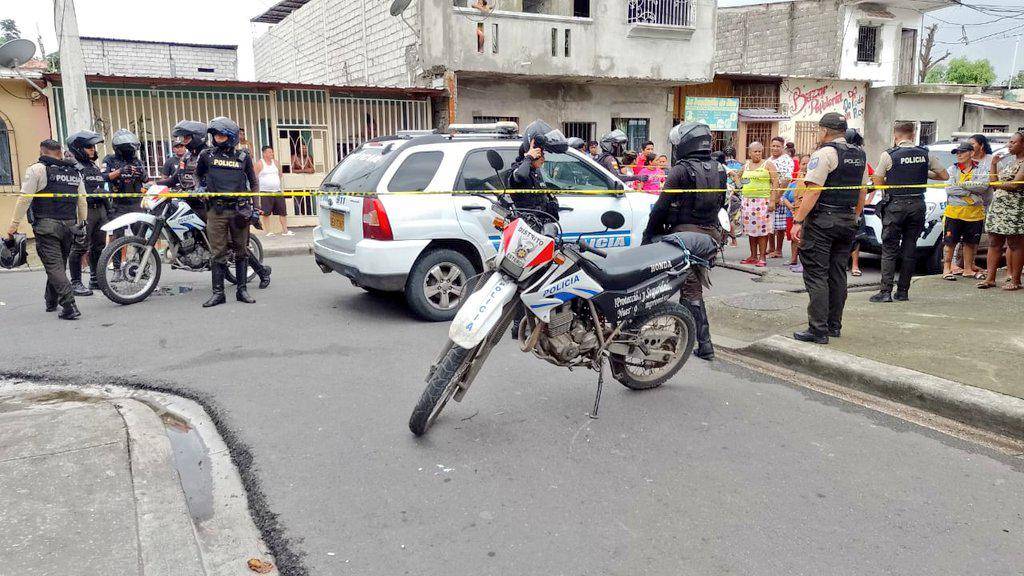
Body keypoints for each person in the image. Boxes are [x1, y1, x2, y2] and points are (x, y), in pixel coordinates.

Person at [641, 122, 727, 360]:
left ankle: (703, 345)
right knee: (690, 286)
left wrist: (648, 234)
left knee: (686, 289)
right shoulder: (720, 169)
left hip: (684, 239)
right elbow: (721, 204)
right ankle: (688, 338)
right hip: (710, 236)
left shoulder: (680, 170)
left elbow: (661, 207)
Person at [790, 112, 867, 344]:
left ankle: (818, 329)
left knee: (816, 274)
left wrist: (798, 221)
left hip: (823, 221)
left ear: (824, 131)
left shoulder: (825, 153)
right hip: (846, 221)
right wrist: (854, 216)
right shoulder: (860, 155)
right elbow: (862, 191)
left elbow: (813, 190)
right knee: (837, 273)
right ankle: (834, 325)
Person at [4, 139, 88, 319]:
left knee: (54, 265)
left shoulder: (37, 169)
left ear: (42, 152)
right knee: (58, 264)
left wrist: (13, 225)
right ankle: (51, 301)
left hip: (46, 226)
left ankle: (69, 305)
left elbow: (24, 198)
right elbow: (82, 200)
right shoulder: (74, 172)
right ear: (59, 152)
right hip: (70, 225)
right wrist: (82, 223)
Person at [868, 122, 949, 303]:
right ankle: (903, 292)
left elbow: (878, 181)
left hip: (896, 205)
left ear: (896, 136)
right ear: (913, 135)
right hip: (918, 205)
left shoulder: (889, 155)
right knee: (910, 248)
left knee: (889, 249)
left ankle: (885, 292)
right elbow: (944, 176)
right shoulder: (925, 154)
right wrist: (922, 174)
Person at [195, 116, 261, 307]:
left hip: (239, 211)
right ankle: (218, 294)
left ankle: (242, 291)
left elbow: (254, 182)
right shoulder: (206, 155)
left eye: (221, 135)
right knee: (217, 253)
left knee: (241, 251)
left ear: (231, 137)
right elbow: (197, 175)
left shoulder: (243, 157)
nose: (217, 138)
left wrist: (255, 207)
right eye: (215, 135)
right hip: (216, 211)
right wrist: (199, 188)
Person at [978, 131, 1024, 290]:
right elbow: (993, 181)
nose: (1009, 145)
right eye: (1009, 142)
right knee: (993, 241)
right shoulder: (1010, 162)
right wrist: (993, 164)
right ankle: (990, 278)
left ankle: (1015, 280)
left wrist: (996, 185)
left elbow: (1015, 184)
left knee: (1014, 243)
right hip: (998, 206)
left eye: (1013, 142)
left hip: (1015, 208)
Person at [941, 141, 991, 281]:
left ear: (971, 153)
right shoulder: (952, 169)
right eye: (957, 152)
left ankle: (968, 269)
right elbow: (950, 188)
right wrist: (970, 192)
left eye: (962, 152)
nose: (959, 155)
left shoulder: (981, 168)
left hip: (974, 214)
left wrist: (962, 185)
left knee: (970, 242)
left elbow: (983, 186)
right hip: (954, 212)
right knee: (950, 242)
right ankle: (947, 268)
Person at [65, 130, 107, 296]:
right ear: (78, 148)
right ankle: (76, 282)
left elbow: (101, 187)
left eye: (93, 147)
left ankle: (95, 279)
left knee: (98, 246)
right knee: (80, 246)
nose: (92, 149)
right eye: (88, 147)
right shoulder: (73, 166)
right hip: (84, 211)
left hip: (100, 210)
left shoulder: (93, 166)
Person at [101, 129, 148, 271]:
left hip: (136, 204)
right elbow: (103, 176)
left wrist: (138, 172)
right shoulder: (109, 160)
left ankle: (143, 269)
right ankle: (116, 269)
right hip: (118, 205)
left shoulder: (136, 161)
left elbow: (146, 178)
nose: (131, 152)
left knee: (141, 237)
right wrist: (120, 172)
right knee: (117, 238)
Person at [736, 141, 779, 266]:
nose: (758, 154)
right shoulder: (746, 166)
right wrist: (739, 182)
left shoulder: (768, 164)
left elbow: (776, 183)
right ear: (749, 153)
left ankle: (762, 257)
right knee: (751, 230)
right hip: (748, 202)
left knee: (762, 231)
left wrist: (772, 200)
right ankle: (753, 255)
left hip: (763, 202)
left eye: (760, 151)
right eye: (755, 151)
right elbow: (738, 179)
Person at [843, 129, 869, 278]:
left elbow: (864, 187)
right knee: (853, 236)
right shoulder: (860, 155)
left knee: (855, 237)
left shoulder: (861, 156)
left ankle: (853, 265)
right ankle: (848, 265)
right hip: (852, 205)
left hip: (847, 204)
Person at [767, 136, 794, 258]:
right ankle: (771, 247)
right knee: (770, 223)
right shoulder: (769, 159)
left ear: (782, 147)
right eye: (773, 146)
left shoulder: (786, 160)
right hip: (769, 195)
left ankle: (778, 250)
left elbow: (787, 179)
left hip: (781, 196)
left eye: (778, 146)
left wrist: (778, 197)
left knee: (779, 226)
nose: (775, 148)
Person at [256, 146, 290, 237]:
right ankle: (268, 231)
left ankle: (285, 230)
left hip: (277, 191)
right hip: (265, 191)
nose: (272, 154)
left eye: (272, 152)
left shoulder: (276, 162)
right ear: (264, 153)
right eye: (270, 152)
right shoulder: (259, 163)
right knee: (266, 213)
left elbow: (280, 174)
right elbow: (254, 177)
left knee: (282, 211)